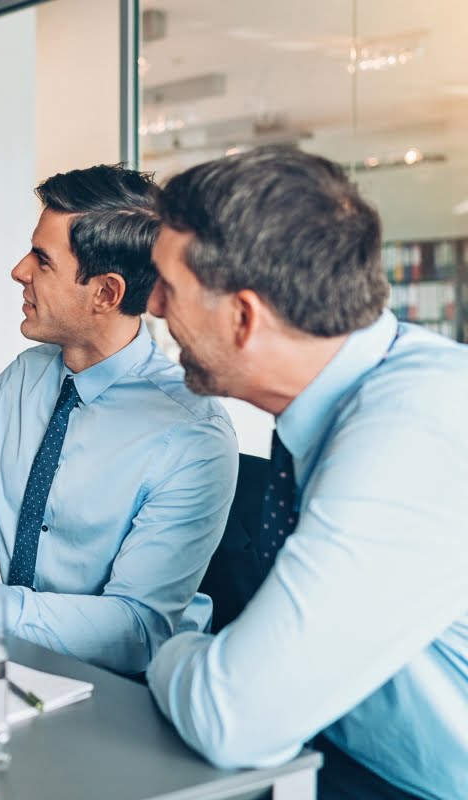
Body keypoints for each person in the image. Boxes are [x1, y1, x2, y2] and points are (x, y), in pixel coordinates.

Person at [144, 147, 468, 800]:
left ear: (243, 317)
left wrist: (169, 642)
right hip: (347, 760)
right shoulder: (337, 400)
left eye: (168, 287)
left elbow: (232, 719)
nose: (151, 307)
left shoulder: (415, 430)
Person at [0, 165, 238, 675]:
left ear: (106, 293)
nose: (19, 271)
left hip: (129, 690)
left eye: (42, 260)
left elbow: (138, 630)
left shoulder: (191, 434)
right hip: (23, 660)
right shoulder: (23, 379)